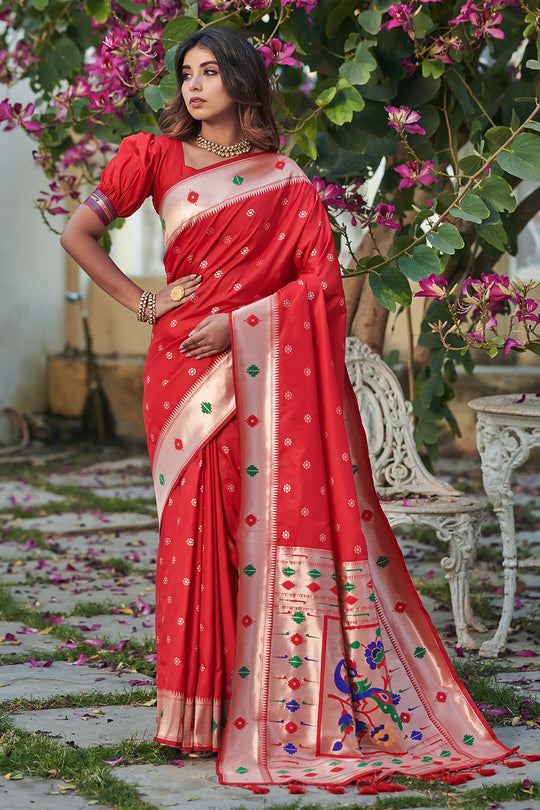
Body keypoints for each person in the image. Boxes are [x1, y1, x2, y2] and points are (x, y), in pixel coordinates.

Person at [61, 26, 514, 793]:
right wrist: (144, 300)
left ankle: (260, 698)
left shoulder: (288, 180)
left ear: (243, 82)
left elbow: (323, 289)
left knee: (250, 521)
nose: (194, 87)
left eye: (210, 72)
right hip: (181, 369)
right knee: (191, 529)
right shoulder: (153, 154)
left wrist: (238, 325)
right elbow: (80, 234)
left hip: (250, 363)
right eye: (186, 74)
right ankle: (191, 712)